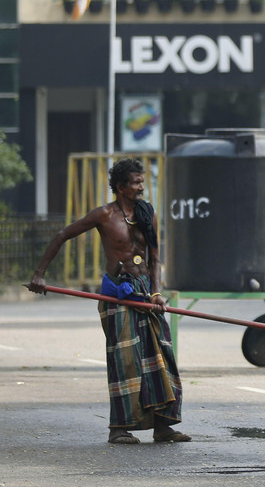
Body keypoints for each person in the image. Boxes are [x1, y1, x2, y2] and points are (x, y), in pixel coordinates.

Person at [29, 158, 190, 444]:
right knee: (125, 360)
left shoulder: (147, 213)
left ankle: (163, 426)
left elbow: (154, 259)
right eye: (136, 183)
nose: (142, 187)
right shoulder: (103, 215)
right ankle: (119, 428)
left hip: (145, 293)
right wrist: (39, 274)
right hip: (117, 293)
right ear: (120, 187)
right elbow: (62, 235)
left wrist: (156, 292)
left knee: (161, 357)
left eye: (143, 182)